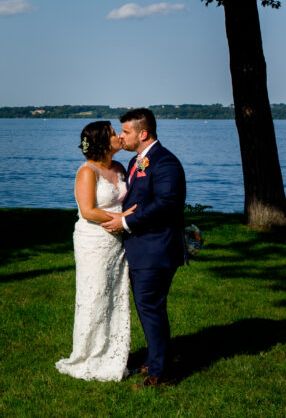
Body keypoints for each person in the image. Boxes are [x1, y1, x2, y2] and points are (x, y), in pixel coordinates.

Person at [101, 107, 187, 389]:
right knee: (148, 308)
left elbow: (166, 205)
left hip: (156, 249)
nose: (121, 137)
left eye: (126, 131)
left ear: (143, 133)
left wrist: (125, 223)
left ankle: (161, 374)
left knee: (151, 308)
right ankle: (155, 360)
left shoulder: (165, 163)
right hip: (144, 248)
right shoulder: (138, 162)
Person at [55, 120, 134, 382]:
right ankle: (87, 355)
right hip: (93, 242)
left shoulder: (120, 167)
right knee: (94, 296)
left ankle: (114, 354)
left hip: (116, 243)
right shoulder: (87, 172)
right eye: (114, 134)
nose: (120, 137)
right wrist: (122, 217)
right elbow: (87, 210)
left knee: (115, 296)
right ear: (102, 141)